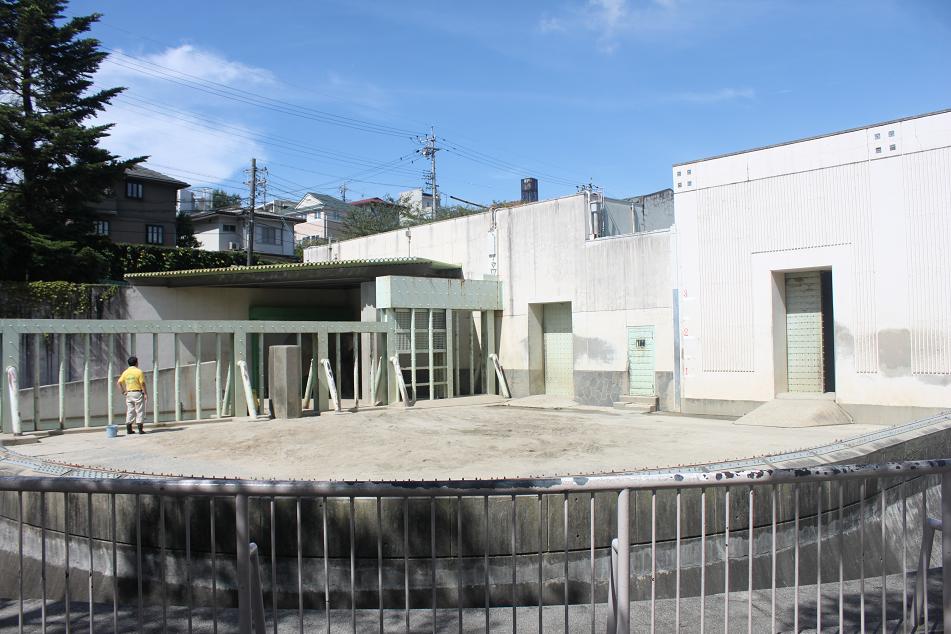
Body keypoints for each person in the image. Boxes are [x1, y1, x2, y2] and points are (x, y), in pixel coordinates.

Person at [117, 356, 147, 435]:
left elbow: (119, 382)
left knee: (130, 410)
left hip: (129, 393)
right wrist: (145, 393)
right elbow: (142, 383)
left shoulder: (125, 372)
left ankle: (129, 429)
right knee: (139, 410)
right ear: (136, 363)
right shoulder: (139, 372)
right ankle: (140, 429)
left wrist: (123, 392)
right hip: (137, 392)